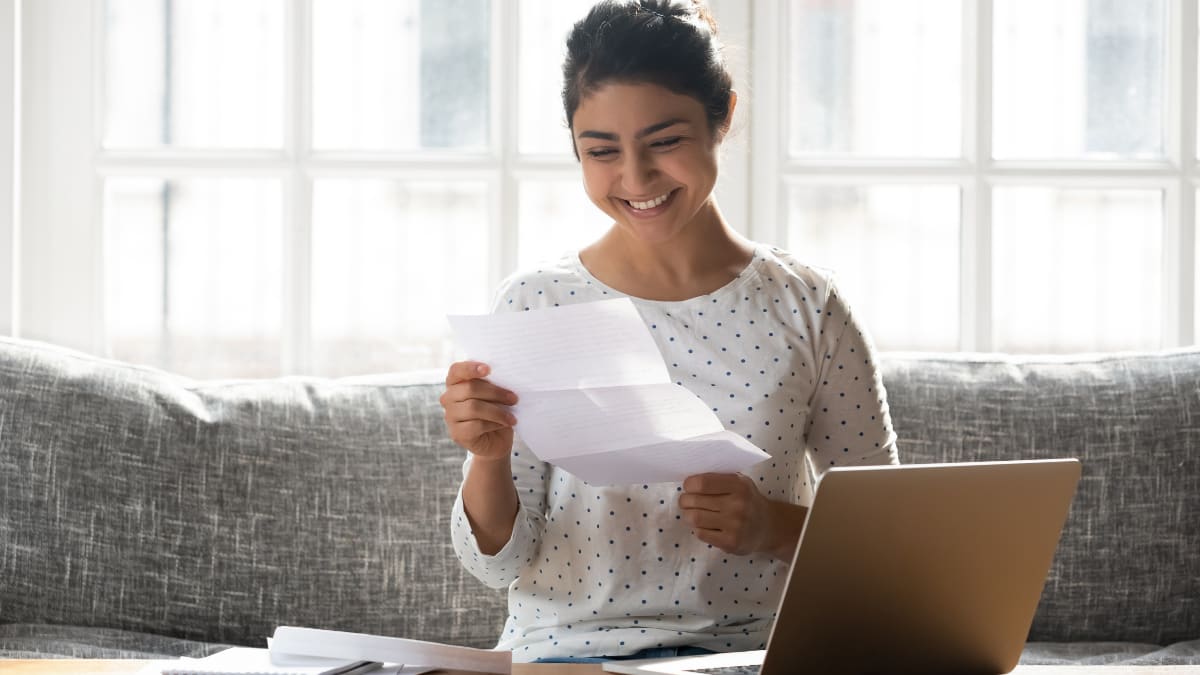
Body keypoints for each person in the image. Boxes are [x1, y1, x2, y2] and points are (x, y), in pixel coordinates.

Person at [440, 0, 898, 663]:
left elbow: (890, 543)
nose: (635, 178)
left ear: (724, 119)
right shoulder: (535, 303)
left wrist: (775, 527)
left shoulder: (808, 305)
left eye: (664, 142)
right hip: (569, 654)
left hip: (750, 656)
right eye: (601, 151)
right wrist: (488, 455)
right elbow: (496, 565)